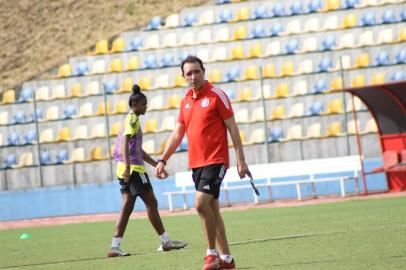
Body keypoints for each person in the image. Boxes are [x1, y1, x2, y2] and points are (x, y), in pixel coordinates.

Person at [155, 56, 251, 270]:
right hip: (196, 164)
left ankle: (211, 254)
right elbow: (178, 133)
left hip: (216, 161)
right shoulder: (185, 101)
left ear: (203, 71)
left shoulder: (217, 95)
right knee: (212, 210)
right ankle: (227, 259)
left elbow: (233, 128)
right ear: (183, 76)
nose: (193, 76)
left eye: (197, 71)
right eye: (188, 73)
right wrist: (163, 159)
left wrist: (241, 161)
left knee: (200, 203)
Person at [108, 84, 187, 257]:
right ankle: (166, 241)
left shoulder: (130, 120)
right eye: (143, 104)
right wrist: (129, 167)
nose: (146, 107)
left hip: (123, 169)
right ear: (135, 104)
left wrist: (155, 163)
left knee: (127, 207)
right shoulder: (133, 120)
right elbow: (124, 144)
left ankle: (114, 246)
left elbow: (136, 149)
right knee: (152, 203)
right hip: (134, 170)